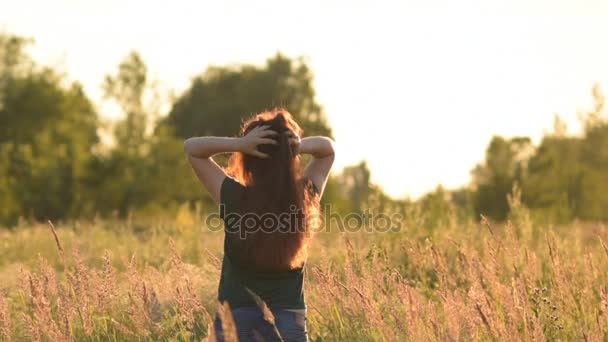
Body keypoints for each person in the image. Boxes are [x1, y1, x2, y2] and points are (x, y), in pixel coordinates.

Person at [184, 108, 335, 341]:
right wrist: (293, 147)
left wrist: (241, 144)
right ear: (290, 158)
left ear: (249, 160)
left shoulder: (234, 196)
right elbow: (328, 150)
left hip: (235, 321)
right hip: (289, 325)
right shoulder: (305, 197)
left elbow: (192, 148)